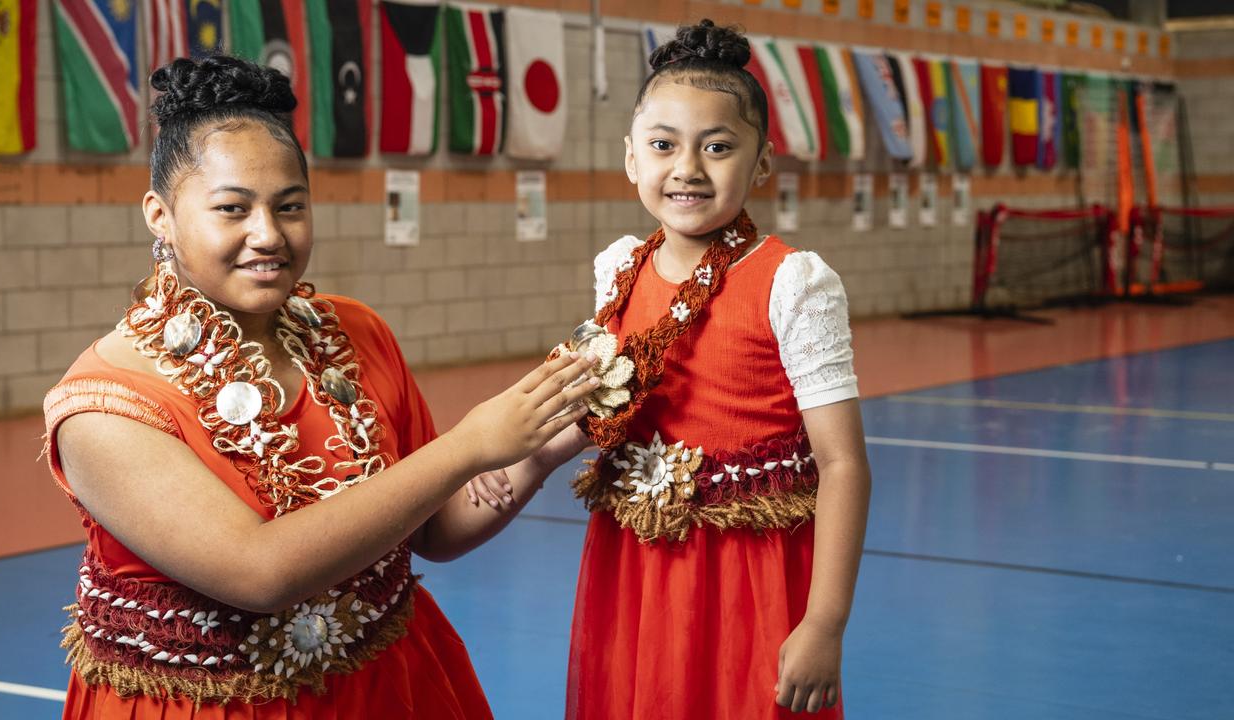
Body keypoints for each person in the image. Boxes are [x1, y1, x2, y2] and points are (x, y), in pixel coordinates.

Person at [42, 55, 596, 719]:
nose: (268, 235)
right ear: (160, 215)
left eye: (290, 206)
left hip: (388, 687)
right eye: (232, 209)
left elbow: (435, 531)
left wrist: (544, 445)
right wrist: (470, 445)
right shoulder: (106, 405)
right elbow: (262, 573)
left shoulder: (355, 332)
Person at [556, 20, 872, 718]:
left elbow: (843, 463)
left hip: (744, 576)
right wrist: (509, 470)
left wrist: (825, 622)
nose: (688, 168)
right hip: (632, 562)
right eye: (663, 145)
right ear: (633, 159)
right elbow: (601, 407)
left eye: (719, 147)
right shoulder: (617, 267)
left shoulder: (793, 283)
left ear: (760, 165)